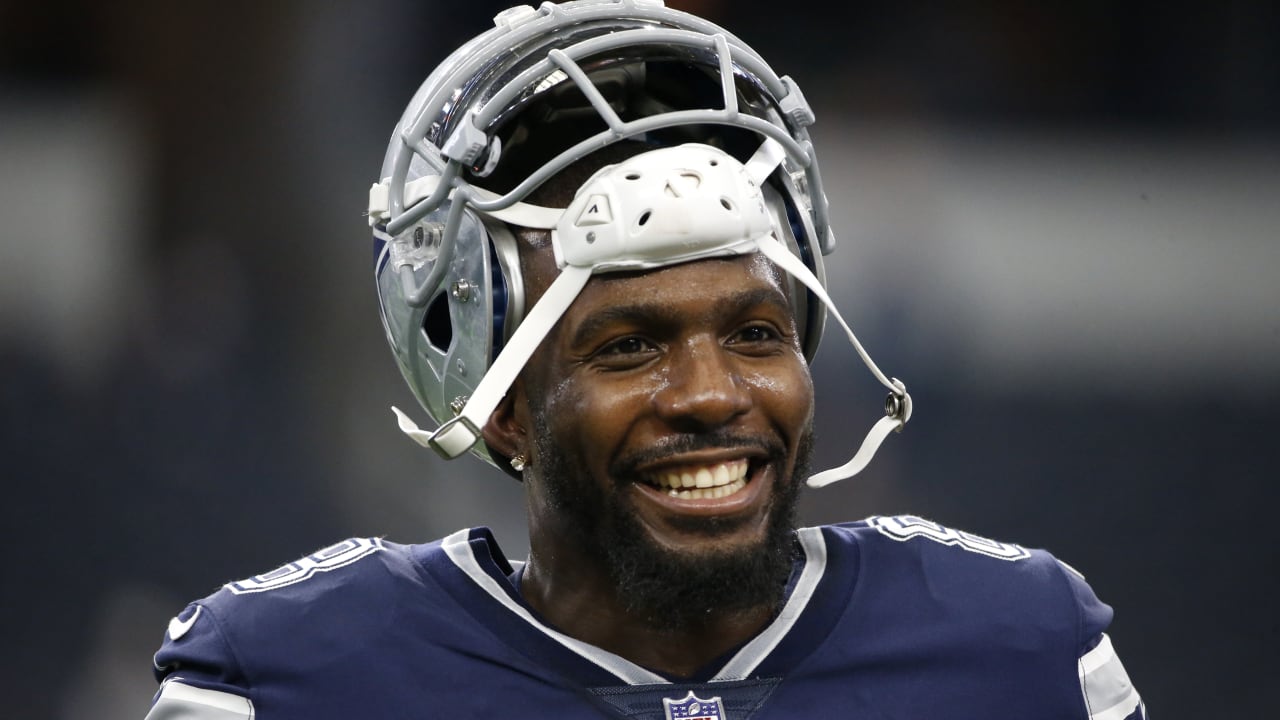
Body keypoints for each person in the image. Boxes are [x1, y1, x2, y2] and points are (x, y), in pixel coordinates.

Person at [146, 2, 1146, 718]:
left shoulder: (1020, 655)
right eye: (628, 348)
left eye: (755, 333)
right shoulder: (287, 682)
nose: (712, 395)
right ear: (499, 407)